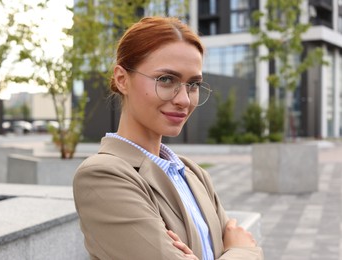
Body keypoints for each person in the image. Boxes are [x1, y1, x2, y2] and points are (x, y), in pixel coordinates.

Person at [73, 16, 263, 260]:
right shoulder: (102, 175)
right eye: (166, 80)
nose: (184, 99)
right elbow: (243, 243)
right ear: (122, 79)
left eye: (193, 84)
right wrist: (243, 250)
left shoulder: (193, 173)